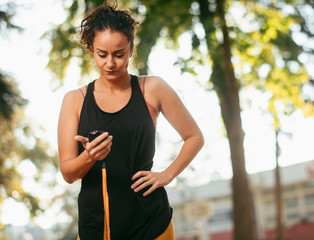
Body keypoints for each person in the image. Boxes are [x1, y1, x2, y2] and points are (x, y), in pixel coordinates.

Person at [57, 1, 204, 240]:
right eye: (101, 54)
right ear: (91, 49)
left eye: (119, 54)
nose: (110, 63)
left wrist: (167, 174)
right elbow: (68, 173)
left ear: (131, 48)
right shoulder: (75, 100)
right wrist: (90, 156)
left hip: (151, 222)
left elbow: (194, 137)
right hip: (96, 226)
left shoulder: (152, 88)